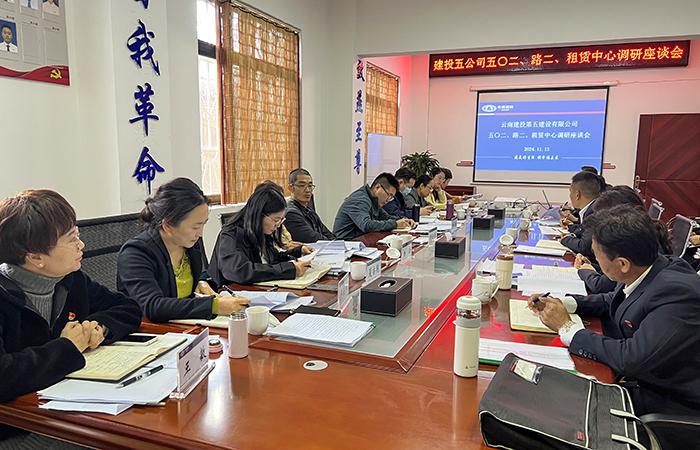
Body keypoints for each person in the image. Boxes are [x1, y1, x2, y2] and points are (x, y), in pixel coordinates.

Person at [529, 205, 700, 416]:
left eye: (596, 255)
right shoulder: (647, 267)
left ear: (622, 264)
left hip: (665, 404)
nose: (595, 260)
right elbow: (613, 299)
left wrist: (566, 327)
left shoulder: (678, 294)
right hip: (638, 382)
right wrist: (565, 304)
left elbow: (631, 359)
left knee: (550, 401)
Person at [0, 190, 142, 407]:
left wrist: (99, 326)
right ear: (35, 257)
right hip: (21, 417)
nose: (81, 245)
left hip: (72, 400)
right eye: (71, 239)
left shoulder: (70, 279)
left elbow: (127, 307)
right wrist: (67, 347)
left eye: (77, 234)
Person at [117, 178, 249, 323]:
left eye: (203, 224)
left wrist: (202, 282)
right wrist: (215, 306)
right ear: (167, 225)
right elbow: (154, 307)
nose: (200, 234)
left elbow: (202, 276)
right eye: (195, 227)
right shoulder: (136, 253)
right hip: (151, 329)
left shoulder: (188, 243)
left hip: (185, 326)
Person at [574, 186, 673, 294]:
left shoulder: (633, 245)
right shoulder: (643, 235)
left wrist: (584, 270)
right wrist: (594, 266)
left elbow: (602, 286)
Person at [209, 186, 312, 286]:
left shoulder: (261, 231)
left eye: (281, 220)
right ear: (259, 215)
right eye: (276, 220)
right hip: (230, 292)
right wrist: (290, 269)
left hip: (257, 288)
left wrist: (298, 252)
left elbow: (271, 259)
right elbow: (240, 271)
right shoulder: (230, 234)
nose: (278, 225)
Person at [332, 173, 414, 240]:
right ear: (377, 187)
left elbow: (386, 217)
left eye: (391, 197)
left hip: (360, 241)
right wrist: (395, 224)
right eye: (388, 195)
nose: (388, 200)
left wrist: (404, 220)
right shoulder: (360, 199)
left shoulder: (373, 200)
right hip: (345, 245)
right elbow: (366, 225)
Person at [559, 170, 603, 257]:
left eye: (570, 192)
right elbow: (582, 230)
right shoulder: (593, 207)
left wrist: (565, 239)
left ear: (577, 195)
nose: (570, 196)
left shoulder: (594, 212)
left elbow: (584, 247)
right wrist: (571, 229)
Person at [284, 168, 334, 243]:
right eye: (302, 185)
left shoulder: (309, 210)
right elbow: (311, 238)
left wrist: (336, 243)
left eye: (310, 186)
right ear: (291, 188)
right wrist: (333, 244)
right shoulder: (291, 213)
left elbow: (328, 234)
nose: (307, 190)